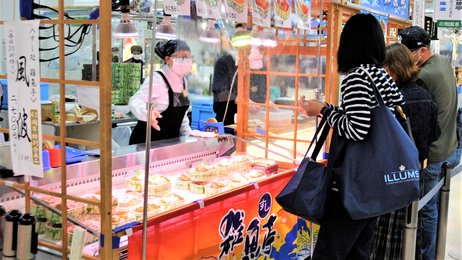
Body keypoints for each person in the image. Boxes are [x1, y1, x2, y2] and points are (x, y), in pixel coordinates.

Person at [299, 13, 404, 259]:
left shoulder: (357, 77)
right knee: (359, 252)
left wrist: (323, 111)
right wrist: (329, 109)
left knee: (330, 252)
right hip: (376, 180)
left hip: (353, 183)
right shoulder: (380, 75)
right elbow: (376, 118)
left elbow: (357, 129)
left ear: (350, 43)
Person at [370, 43, 440, 260]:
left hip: (390, 177)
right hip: (414, 173)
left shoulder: (393, 98)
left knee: (385, 238)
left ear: (392, 69)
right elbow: (435, 133)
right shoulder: (425, 95)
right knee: (408, 231)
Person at [399, 26, 460, 260]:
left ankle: (427, 256)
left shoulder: (423, 76)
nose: (406, 57)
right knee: (433, 207)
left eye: (408, 52)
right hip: (450, 146)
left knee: (426, 211)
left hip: (434, 155)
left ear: (422, 51)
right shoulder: (443, 63)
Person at [128, 40, 192, 145]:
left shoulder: (184, 81)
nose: (185, 60)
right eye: (180, 57)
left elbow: (180, 114)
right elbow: (135, 100)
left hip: (169, 143)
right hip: (146, 143)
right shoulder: (157, 78)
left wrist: (188, 133)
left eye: (187, 57)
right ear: (167, 59)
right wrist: (146, 113)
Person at [212, 45, 267, 125]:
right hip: (227, 121)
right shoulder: (224, 63)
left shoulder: (258, 66)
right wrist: (241, 99)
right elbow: (221, 93)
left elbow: (260, 93)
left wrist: (266, 102)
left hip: (251, 123)